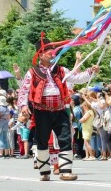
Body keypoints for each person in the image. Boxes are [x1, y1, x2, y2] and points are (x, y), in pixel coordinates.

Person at [17, 34, 99, 181]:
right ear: (41, 55)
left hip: (60, 110)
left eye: (53, 52)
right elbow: (24, 90)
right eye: (49, 52)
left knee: (66, 139)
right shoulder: (33, 72)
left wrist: (90, 71)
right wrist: (23, 105)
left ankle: (65, 171)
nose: (52, 54)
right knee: (42, 141)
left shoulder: (61, 70)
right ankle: (45, 172)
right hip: (42, 111)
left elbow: (77, 78)